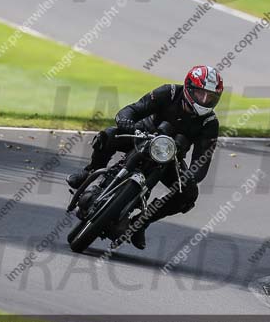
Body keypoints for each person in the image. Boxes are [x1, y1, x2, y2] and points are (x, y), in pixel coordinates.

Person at [67, 66, 223, 250]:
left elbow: (202, 161)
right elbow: (133, 109)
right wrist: (126, 121)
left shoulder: (209, 123)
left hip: (169, 156)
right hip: (142, 135)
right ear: (188, 88)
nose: (204, 100)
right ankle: (89, 172)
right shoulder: (169, 92)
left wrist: (192, 176)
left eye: (210, 97)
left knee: (189, 194)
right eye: (200, 94)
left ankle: (142, 223)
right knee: (108, 135)